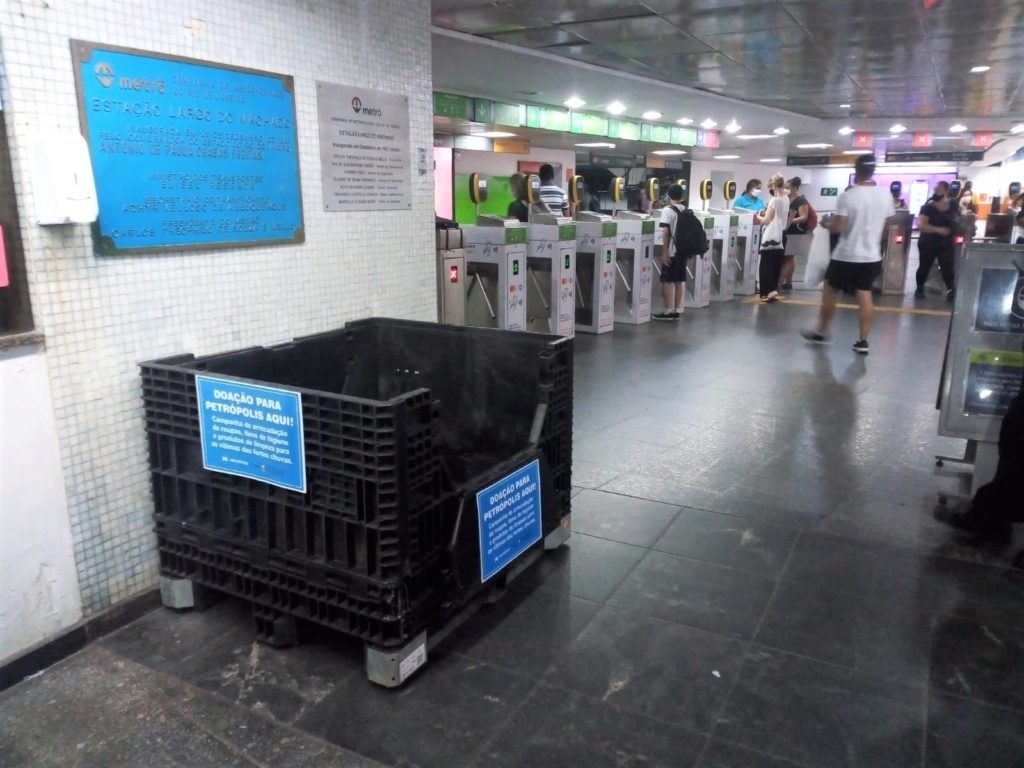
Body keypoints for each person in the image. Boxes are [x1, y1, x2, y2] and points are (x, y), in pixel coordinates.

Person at [801, 154, 894, 354]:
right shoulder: (886, 196)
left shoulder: (848, 196)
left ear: (856, 171)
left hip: (846, 255)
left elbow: (838, 227)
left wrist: (827, 223)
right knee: (864, 293)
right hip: (871, 256)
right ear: (872, 171)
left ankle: (822, 331)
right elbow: (887, 227)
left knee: (830, 290)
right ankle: (862, 340)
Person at [914, 181, 958, 301]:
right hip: (928, 242)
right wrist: (939, 230)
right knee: (924, 266)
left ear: (946, 191)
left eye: (938, 190)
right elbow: (921, 225)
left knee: (947, 267)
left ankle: (951, 291)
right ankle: (920, 288)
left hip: (946, 243)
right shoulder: (928, 206)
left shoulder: (954, 204)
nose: (936, 193)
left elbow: (962, 215)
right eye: (935, 190)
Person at [654, 184, 687, 321]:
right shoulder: (684, 209)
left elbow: (666, 231)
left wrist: (665, 252)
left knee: (668, 281)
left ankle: (668, 311)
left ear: (668, 195)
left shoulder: (667, 211)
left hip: (672, 251)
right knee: (679, 281)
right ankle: (676, 309)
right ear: (682, 196)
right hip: (682, 251)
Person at [758, 174, 789, 303]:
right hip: (782, 235)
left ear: (774, 185)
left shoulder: (774, 201)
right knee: (776, 264)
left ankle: (767, 291)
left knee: (766, 265)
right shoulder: (786, 198)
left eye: (770, 187)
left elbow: (767, 220)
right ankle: (773, 289)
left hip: (771, 236)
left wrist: (758, 216)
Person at [780, 176, 810, 290]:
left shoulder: (801, 200)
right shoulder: (786, 198)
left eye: (788, 187)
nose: (786, 189)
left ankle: (780, 281)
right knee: (788, 257)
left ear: (795, 187)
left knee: (788, 256)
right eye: (785, 187)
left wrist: (789, 221)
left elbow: (804, 217)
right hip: (786, 231)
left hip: (795, 232)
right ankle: (788, 281)